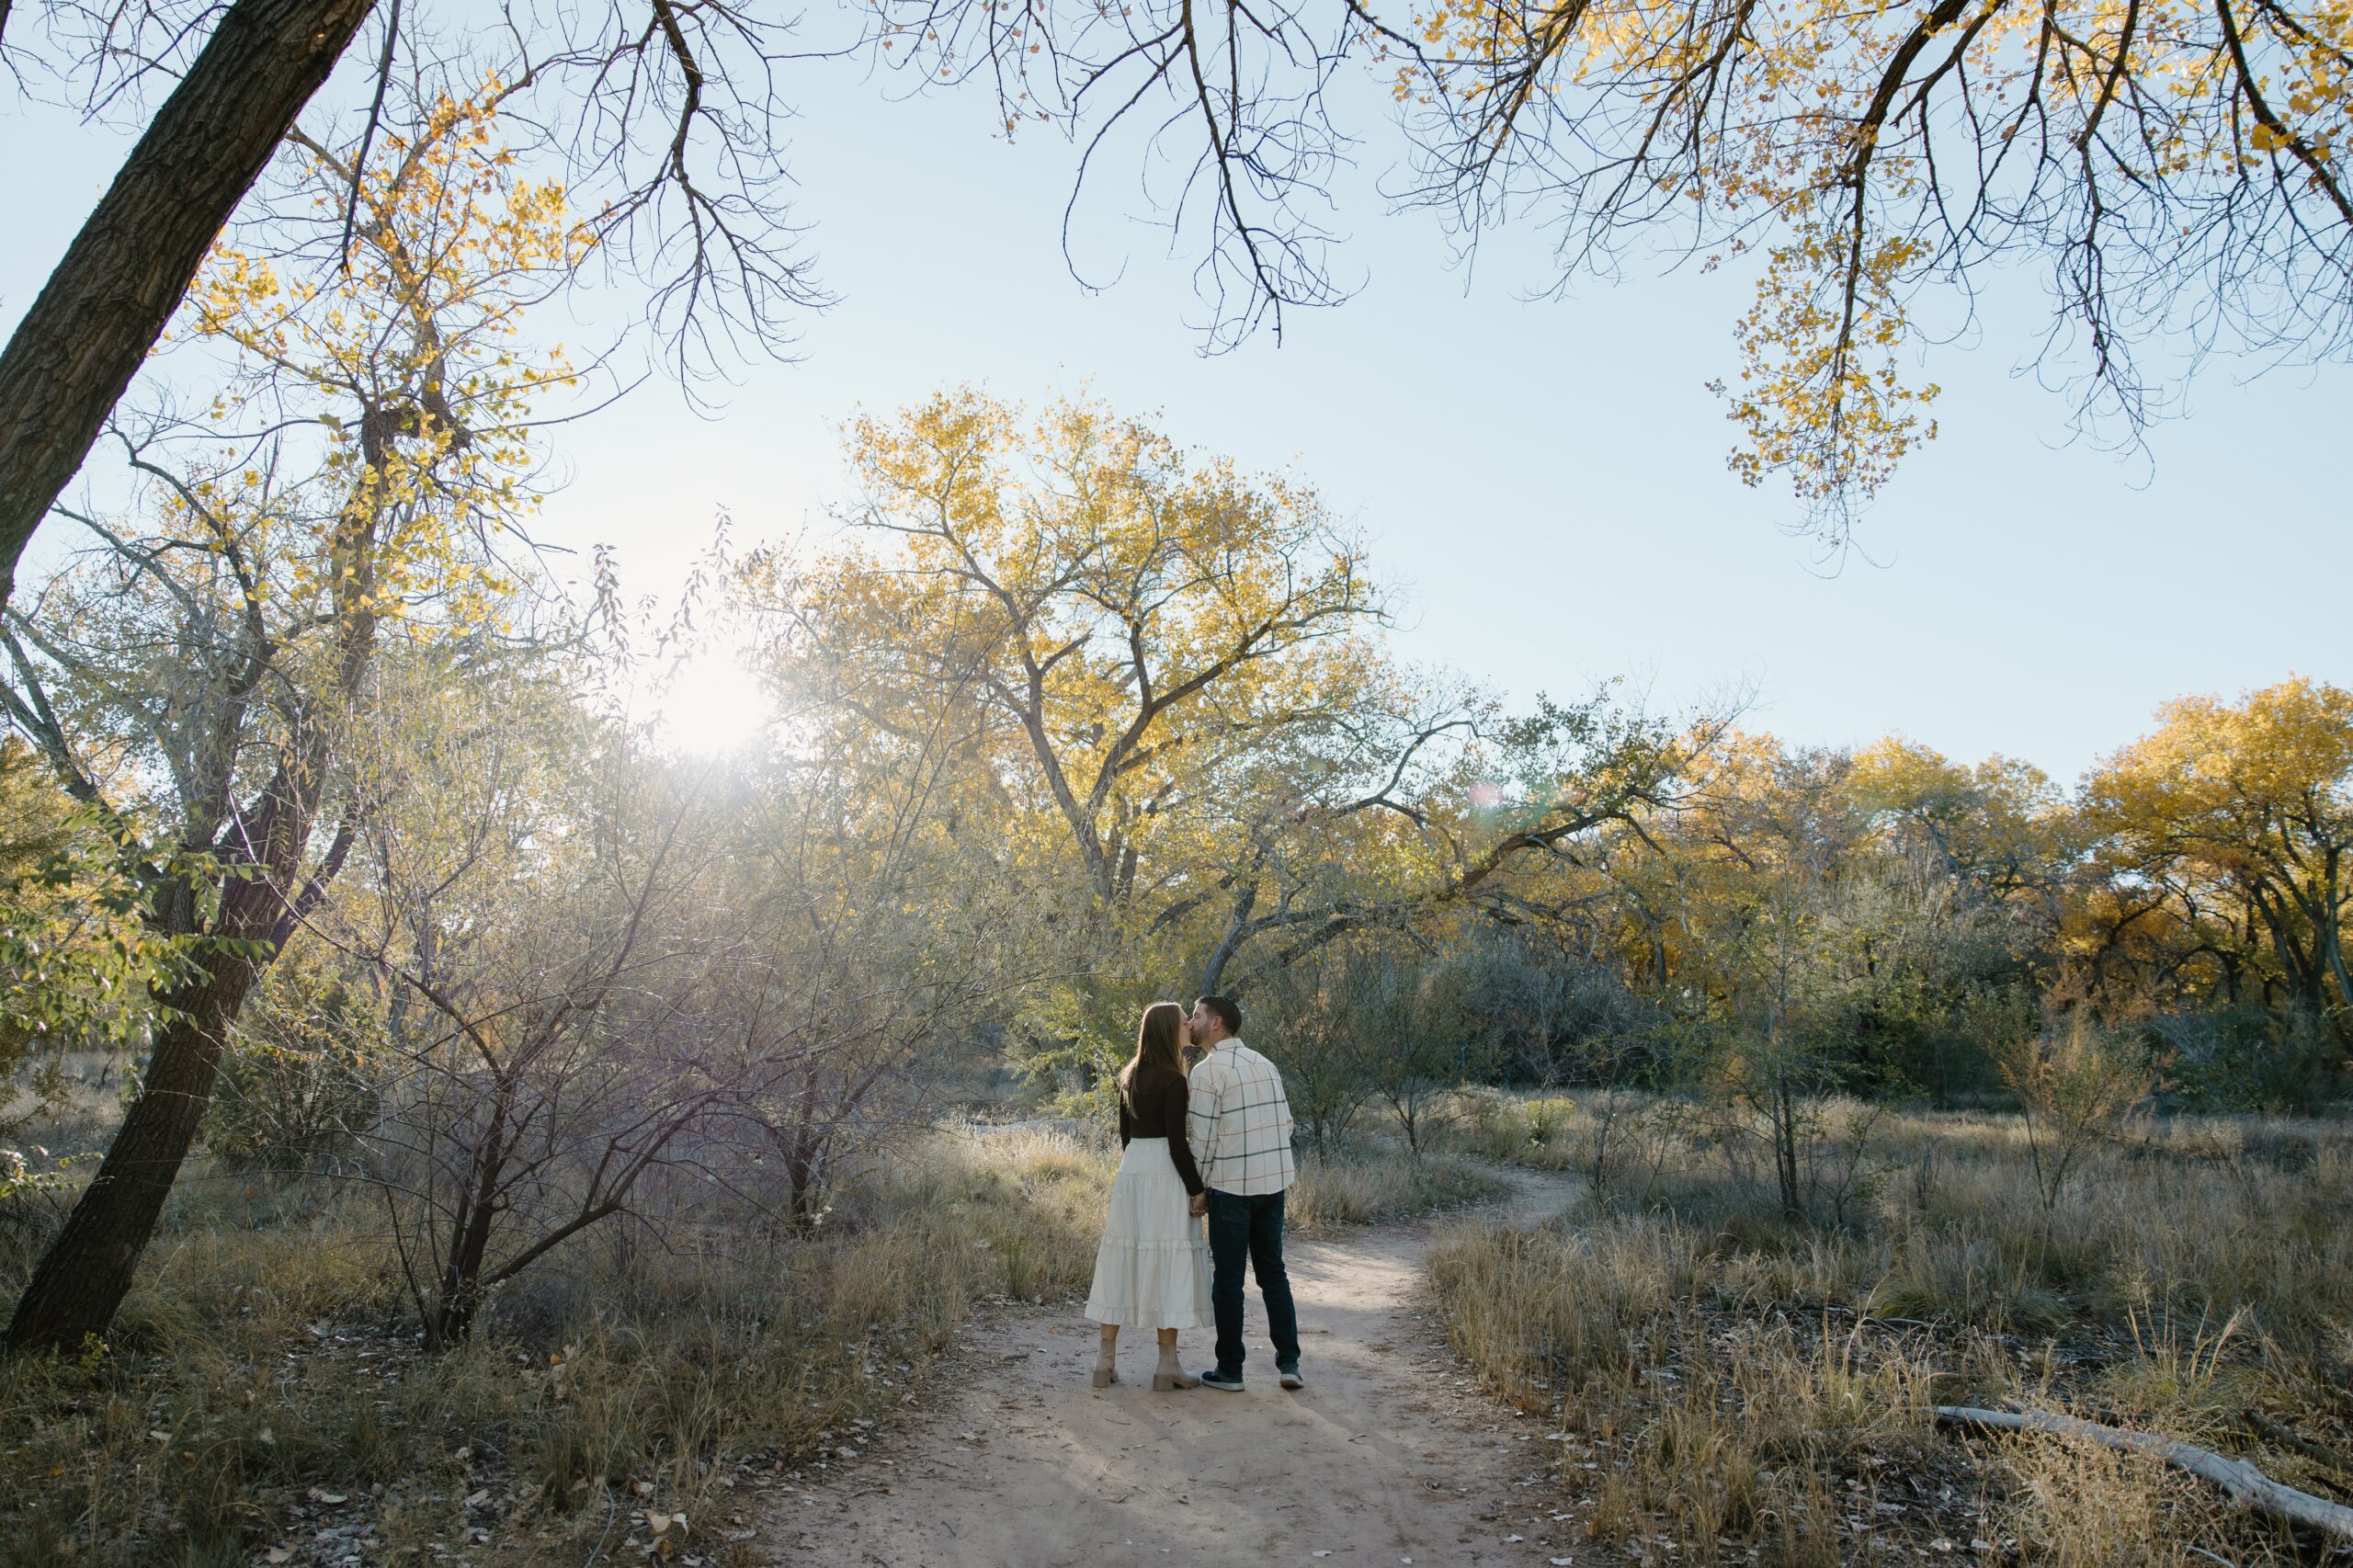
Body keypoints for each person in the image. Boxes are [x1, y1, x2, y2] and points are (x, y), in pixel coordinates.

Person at [1083, 1001, 1211, 1391]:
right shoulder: (1175, 1079)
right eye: (1183, 1021)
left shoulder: (1130, 1075)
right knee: (1167, 1257)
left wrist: (1136, 1166)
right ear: (1167, 1031)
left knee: (1123, 1257)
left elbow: (1125, 1137)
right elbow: (1177, 1144)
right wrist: (1197, 1189)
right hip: (1163, 1170)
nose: (1190, 1025)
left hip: (1133, 1169)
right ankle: (1166, 1366)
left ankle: (1104, 1362)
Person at [1184, 994, 1302, 1392]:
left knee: (1229, 1280)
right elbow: (1286, 1124)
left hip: (1231, 1188)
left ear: (1216, 1023)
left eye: (1197, 1016)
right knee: (1273, 1272)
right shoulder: (1265, 1064)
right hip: (1273, 1185)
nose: (1191, 1022)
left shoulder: (1207, 1072)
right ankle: (1289, 1364)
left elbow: (1202, 1141)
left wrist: (1197, 1190)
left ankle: (1230, 1371)